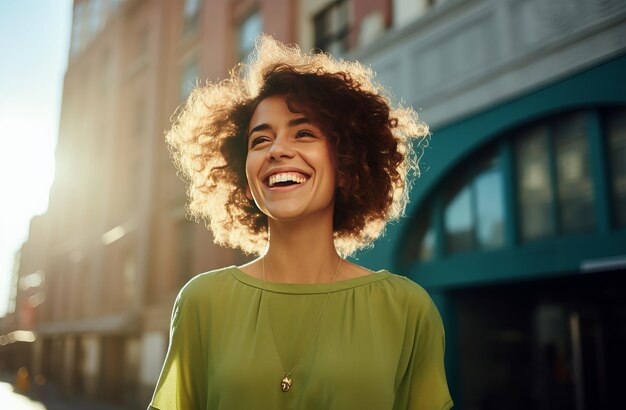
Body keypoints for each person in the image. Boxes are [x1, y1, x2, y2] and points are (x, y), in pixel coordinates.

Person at [148, 35, 453, 410]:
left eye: (304, 133)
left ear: (346, 166)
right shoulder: (200, 302)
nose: (276, 150)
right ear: (244, 181)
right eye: (260, 141)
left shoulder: (408, 309)